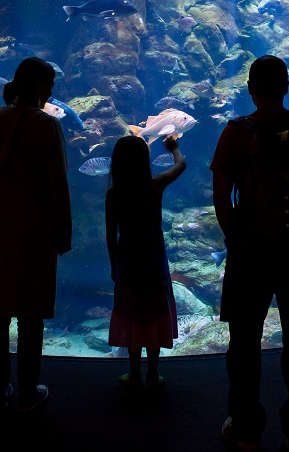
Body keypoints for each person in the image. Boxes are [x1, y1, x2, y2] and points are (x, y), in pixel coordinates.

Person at [211, 55, 289, 450]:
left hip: (250, 252)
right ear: (286, 87)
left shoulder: (236, 133)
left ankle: (246, 428)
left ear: (251, 89)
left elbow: (220, 195)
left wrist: (236, 236)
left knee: (244, 342)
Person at [0, 56, 73, 411]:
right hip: (32, 233)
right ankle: (28, 390)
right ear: (40, 88)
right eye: (50, 87)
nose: (50, 94)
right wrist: (63, 232)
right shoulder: (45, 125)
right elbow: (57, 183)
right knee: (30, 315)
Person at [105, 133, 186, 388]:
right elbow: (180, 165)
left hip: (128, 260)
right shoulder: (155, 185)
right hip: (154, 259)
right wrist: (174, 148)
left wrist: (113, 265)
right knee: (153, 312)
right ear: (144, 161)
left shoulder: (114, 194)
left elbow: (110, 235)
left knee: (132, 313)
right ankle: (153, 372)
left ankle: (134, 372)